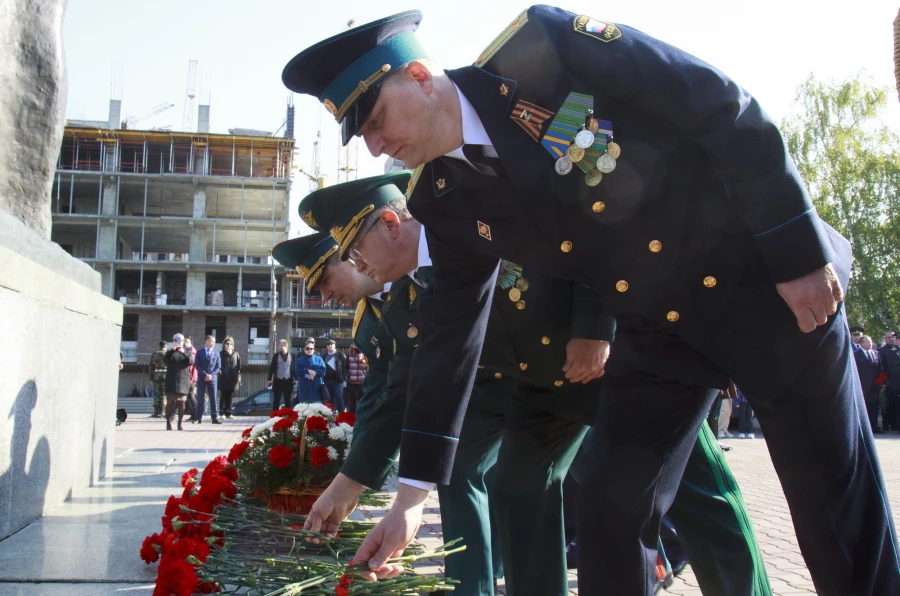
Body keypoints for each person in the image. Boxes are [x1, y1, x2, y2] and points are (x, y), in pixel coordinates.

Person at [283, 8, 898, 595]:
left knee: (831, 513)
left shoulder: (548, 51)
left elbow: (719, 105)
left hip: (763, 290)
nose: (374, 146)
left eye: (375, 119)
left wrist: (797, 252)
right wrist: (411, 495)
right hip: (657, 332)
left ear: (418, 76)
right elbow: (450, 336)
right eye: (362, 133)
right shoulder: (442, 199)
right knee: (610, 514)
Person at [296, 176, 772, 595]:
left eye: (356, 251)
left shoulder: (474, 207)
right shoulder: (411, 292)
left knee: (699, 496)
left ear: (390, 223)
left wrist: (593, 326)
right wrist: (370, 490)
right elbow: (413, 386)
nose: (357, 267)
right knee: (518, 485)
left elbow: (589, 223)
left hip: (623, 362)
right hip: (540, 387)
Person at [164, 333, 194, 431]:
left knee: (181, 403)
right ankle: (168, 423)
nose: (178, 343)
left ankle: (179, 424)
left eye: (180, 341)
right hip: (171, 380)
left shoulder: (187, 352)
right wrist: (172, 350)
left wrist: (183, 352)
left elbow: (191, 361)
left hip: (183, 381)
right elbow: (165, 361)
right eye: (176, 340)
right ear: (173, 341)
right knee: (169, 403)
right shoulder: (169, 352)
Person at [854, 335, 883, 433]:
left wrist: (879, 383)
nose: (870, 344)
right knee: (864, 406)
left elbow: (880, 370)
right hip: (863, 385)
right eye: (867, 342)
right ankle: (864, 428)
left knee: (875, 405)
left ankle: (874, 427)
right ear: (861, 344)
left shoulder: (876, 353)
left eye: (870, 342)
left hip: (875, 385)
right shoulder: (856, 354)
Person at [193, 335, 222, 425]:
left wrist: (211, 375)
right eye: (211, 341)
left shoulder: (216, 353)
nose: (213, 343)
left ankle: (214, 418)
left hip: (212, 378)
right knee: (200, 398)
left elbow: (218, 367)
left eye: (214, 342)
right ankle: (198, 418)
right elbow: (197, 365)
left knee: (213, 398)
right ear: (206, 341)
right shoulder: (200, 352)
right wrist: (205, 374)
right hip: (202, 378)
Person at [879, 332, 900, 432]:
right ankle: (886, 425)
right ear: (885, 339)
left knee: (896, 404)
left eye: (893, 337)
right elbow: (881, 367)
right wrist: (883, 381)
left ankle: (895, 425)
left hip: (896, 381)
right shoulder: (881, 351)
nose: (891, 339)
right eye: (889, 337)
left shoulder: (897, 350)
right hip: (887, 381)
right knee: (887, 405)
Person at [267, 338, 295, 411]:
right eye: (279, 346)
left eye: (281, 345)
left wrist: (296, 379)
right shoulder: (276, 356)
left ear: (286, 346)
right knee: (276, 400)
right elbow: (271, 368)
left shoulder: (292, 355)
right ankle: (274, 416)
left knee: (288, 400)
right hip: (278, 380)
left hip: (288, 380)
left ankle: (288, 416)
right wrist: (269, 379)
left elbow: (294, 369)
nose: (279, 347)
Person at [296, 339, 327, 404]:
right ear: (304, 349)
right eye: (307, 348)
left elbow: (323, 371)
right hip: (304, 388)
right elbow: (298, 371)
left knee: (317, 410)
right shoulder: (299, 360)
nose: (309, 350)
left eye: (311, 349)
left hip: (317, 388)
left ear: (314, 350)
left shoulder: (319, 359)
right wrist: (308, 372)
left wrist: (315, 373)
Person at [219, 335, 241, 420]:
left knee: (230, 396)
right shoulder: (221, 354)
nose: (229, 345)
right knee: (223, 395)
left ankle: (229, 413)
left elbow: (239, 366)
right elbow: (218, 364)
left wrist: (238, 375)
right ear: (224, 344)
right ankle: (222, 413)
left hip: (233, 378)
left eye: (230, 344)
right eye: (227, 343)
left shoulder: (236, 354)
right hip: (224, 378)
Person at [322, 339, 348, 412]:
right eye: (328, 344)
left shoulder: (340, 355)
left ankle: (342, 415)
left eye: (331, 344)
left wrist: (344, 377)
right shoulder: (324, 356)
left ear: (335, 345)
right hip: (327, 381)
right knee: (329, 400)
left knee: (339, 397)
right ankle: (331, 417)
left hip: (339, 381)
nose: (330, 346)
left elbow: (345, 366)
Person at [149, 341, 168, 418]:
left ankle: (156, 412)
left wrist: (151, 378)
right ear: (165, 346)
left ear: (159, 346)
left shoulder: (154, 354)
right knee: (164, 394)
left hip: (156, 375)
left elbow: (151, 367)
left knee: (157, 394)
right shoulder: (167, 354)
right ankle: (162, 411)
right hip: (165, 376)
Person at [183, 335, 199, 421]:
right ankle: (194, 415)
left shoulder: (191, 351)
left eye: (184, 342)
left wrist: (191, 378)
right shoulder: (189, 350)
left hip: (191, 377)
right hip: (190, 377)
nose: (183, 344)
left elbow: (191, 366)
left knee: (191, 395)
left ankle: (196, 414)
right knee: (189, 396)